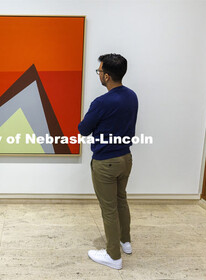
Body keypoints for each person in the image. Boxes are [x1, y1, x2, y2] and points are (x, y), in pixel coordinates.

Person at [78, 53, 138, 270]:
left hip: (106, 162)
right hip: (125, 158)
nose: (99, 74)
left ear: (107, 76)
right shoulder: (132, 96)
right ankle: (125, 242)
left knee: (109, 208)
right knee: (121, 199)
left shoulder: (102, 102)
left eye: (100, 71)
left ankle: (114, 256)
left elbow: (83, 129)